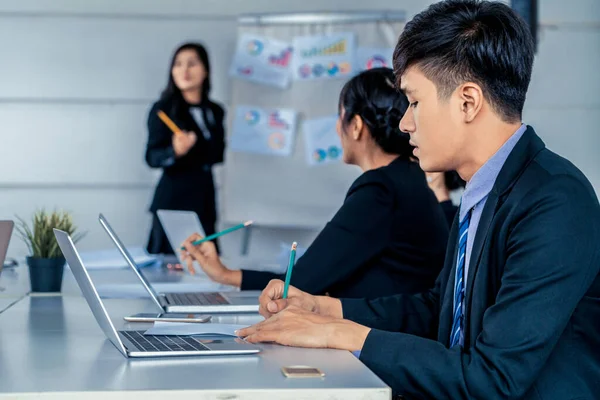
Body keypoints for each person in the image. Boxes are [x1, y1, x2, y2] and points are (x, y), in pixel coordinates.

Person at [236, 1, 600, 399]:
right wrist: (325, 310)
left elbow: (493, 378)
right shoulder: (485, 190)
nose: (405, 123)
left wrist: (342, 334)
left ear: (467, 101)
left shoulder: (554, 201)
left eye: (414, 102)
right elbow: (438, 309)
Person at [181, 67, 449, 299]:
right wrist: (226, 275)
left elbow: (299, 283)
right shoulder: (407, 177)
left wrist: (226, 275)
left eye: (340, 116)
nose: (336, 128)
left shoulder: (380, 191)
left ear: (355, 126)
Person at [145, 43, 226, 256]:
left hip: (205, 199)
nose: (184, 71)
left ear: (205, 70)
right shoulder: (163, 110)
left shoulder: (215, 111)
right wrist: (175, 151)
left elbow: (217, 154)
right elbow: (151, 157)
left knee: (208, 264)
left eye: (192, 63)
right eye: (178, 64)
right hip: (173, 200)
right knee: (169, 267)